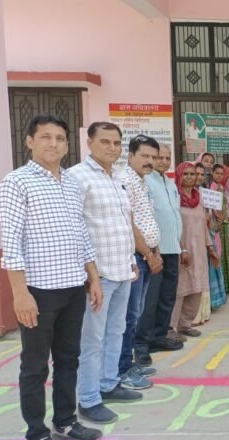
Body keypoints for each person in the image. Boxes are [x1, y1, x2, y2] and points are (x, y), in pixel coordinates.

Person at [0, 114, 103, 440]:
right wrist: (19, 293)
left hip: (74, 286)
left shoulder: (71, 183)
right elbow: (10, 243)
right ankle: (36, 434)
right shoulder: (17, 183)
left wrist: (93, 277)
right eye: (45, 137)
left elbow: (81, 234)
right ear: (29, 141)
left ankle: (65, 421)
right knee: (34, 366)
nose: (53, 144)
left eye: (60, 138)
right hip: (39, 291)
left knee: (68, 359)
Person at [67, 131, 148, 424]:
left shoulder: (117, 178)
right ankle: (88, 399)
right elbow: (75, 228)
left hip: (122, 270)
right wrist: (90, 275)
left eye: (116, 143)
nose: (112, 148)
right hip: (97, 275)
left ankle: (109, 383)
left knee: (117, 331)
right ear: (89, 143)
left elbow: (123, 225)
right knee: (93, 339)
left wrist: (130, 260)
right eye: (105, 142)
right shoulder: (77, 177)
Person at [117, 133, 163, 391]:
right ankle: (123, 369)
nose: (150, 161)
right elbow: (130, 224)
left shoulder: (143, 181)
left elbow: (147, 221)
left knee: (135, 314)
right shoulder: (125, 181)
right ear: (131, 156)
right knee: (128, 316)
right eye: (144, 156)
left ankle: (128, 363)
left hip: (146, 254)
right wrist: (148, 254)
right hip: (135, 257)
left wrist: (155, 252)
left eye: (153, 157)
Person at [136, 144, 184, 369]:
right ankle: (142, 345)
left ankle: (159, 335)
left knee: (167, 296)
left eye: (167, 157)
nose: (164, 161)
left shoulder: (170, 183)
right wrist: (152, 250)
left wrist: (180, 245)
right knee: (150, 299)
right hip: (156, 250)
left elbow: (174, 215)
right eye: (159, 158)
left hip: (172, 248)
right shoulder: (147, 183)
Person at [171, 162, 218, 338]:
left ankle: (185, 324)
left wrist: (210, 246)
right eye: (186, 174)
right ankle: (171, 327)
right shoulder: (175, 198)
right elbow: (173, 226)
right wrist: (181, 248)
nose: (190, 177)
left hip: (199, 251)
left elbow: (204, 226)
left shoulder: (199, 198)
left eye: (192, 174)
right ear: (179, 176)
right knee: (180, 289)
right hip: (183, 251)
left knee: (197, 287)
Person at [207, 164, 229, 308]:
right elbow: (214, 207)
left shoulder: (221, 187)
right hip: (216, 224)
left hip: (222, 222)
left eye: (222, 173)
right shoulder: (213, 187)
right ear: (212, 173)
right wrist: (220, 219)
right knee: (217, 252)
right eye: (217, 173)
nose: (219, 176)